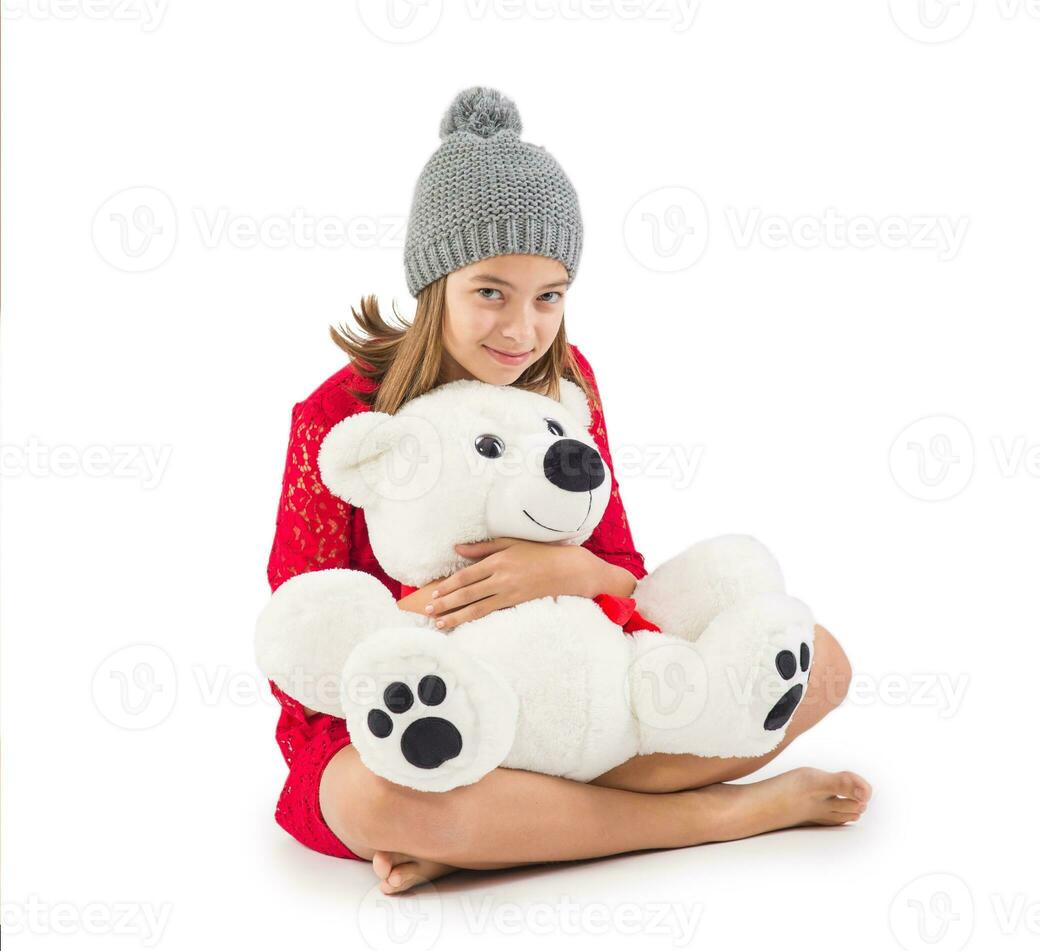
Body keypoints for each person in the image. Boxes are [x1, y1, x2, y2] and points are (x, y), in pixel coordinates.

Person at [265, 86, 870, 895]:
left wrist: (569, 573)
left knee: (821, 663)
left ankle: (503, 833)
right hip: (425, 717)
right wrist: (453, 604)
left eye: (549, 297)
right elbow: (299, 628)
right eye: (490, 292)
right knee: (370, 794)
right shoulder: (338, 415)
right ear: (433, 281)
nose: (522, 331)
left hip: (574, 694)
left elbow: (626, 571)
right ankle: (723, 815)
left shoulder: (567, 387)